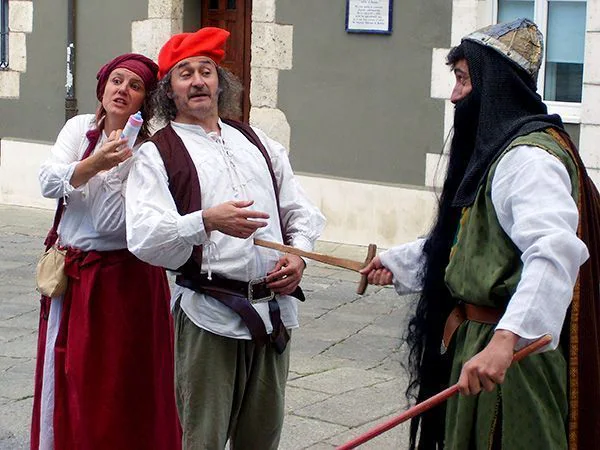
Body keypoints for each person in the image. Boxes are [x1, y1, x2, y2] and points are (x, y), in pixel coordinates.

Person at [361, 18, 600, 449]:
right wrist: (399, 263)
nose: (454, 95)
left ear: (496, 86)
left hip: (511, 358)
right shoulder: (501, 152)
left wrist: (507, 340)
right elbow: (473, 239)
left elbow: (555, 251)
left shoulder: (529, 158)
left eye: (463, 80)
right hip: (480, 344)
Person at [125, 27, 325, 450]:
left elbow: (299, 210)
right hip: (208, 314)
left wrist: (299, 255)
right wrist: (206, 221)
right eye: (185, 73)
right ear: (169, 89)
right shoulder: (157, 153)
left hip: (273, 311)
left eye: (206, 71)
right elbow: (144, 236)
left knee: (262, 438)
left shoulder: (257, 142)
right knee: (204, 440)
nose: (198, 81)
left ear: (220, 82)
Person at [32, 53, 181, 450]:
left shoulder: (149, 152)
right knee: (68, 374)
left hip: (124, 280)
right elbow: (48, 181)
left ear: (144, 101)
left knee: (117, 383)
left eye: (135, 87)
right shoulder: (80, 130)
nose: (123, 90)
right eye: (117, 81)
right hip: (74, 275)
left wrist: (119, 165)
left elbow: (112, 224)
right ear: (103, 88)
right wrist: (95, 163)